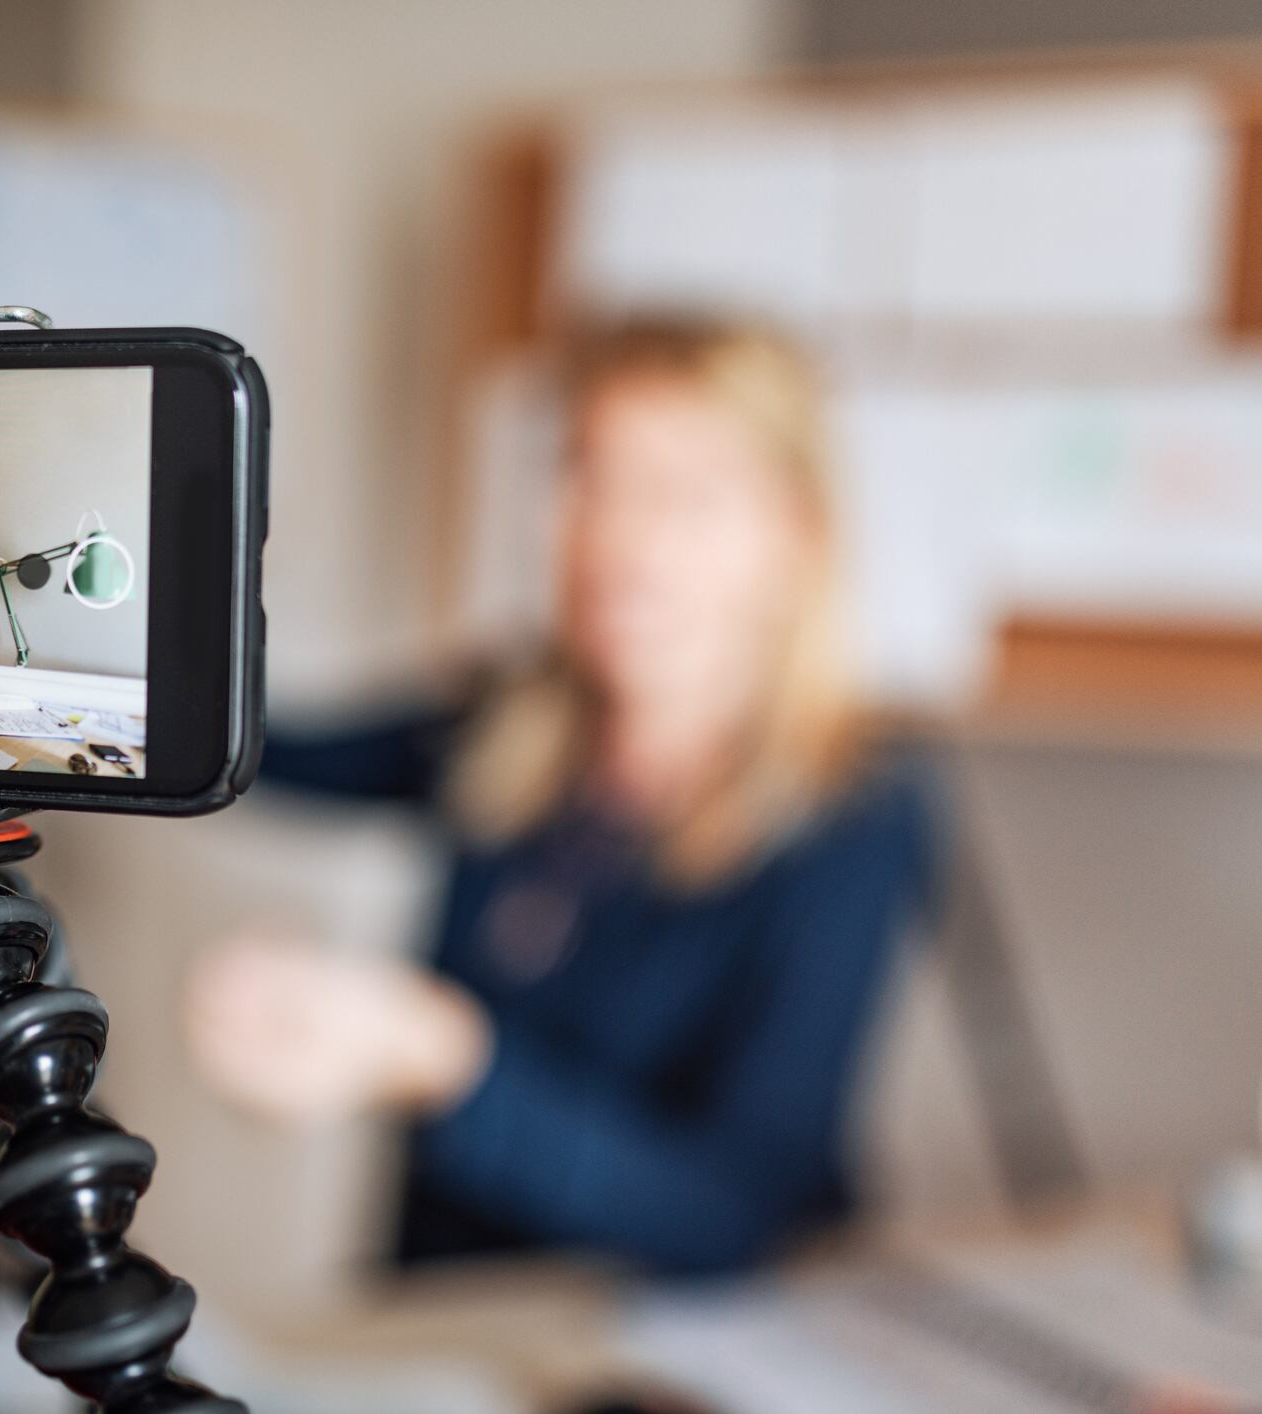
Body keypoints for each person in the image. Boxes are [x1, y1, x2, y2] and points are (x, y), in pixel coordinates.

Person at [186, 316, 940, 1276]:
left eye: (684, 493)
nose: (617, 532)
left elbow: (736, 1217)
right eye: (590, 473)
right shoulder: (507, 724)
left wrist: (441, 1056)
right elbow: (247, 751)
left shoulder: (858, 814)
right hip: (447, 1324)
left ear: (794, 535)